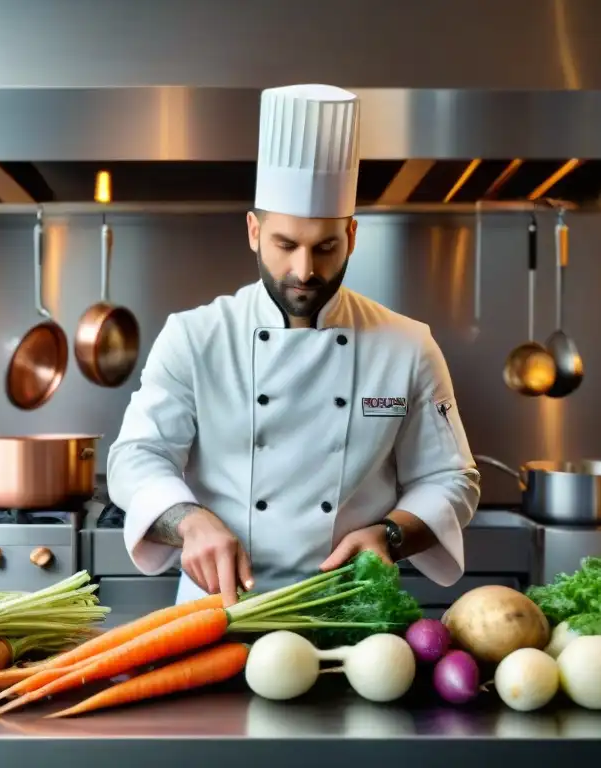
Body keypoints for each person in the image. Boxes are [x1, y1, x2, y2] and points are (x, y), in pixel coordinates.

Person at [107, 83, 480, 607]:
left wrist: (391, 535)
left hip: (353, 615)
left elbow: (452, 478)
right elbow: (135, 457)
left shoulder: (407, 346)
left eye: (325, 247)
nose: (304, 270)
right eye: (285, 245)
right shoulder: (195, 336)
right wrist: (189, 522)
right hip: (218, 613)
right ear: (255, 231)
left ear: (351, 235)